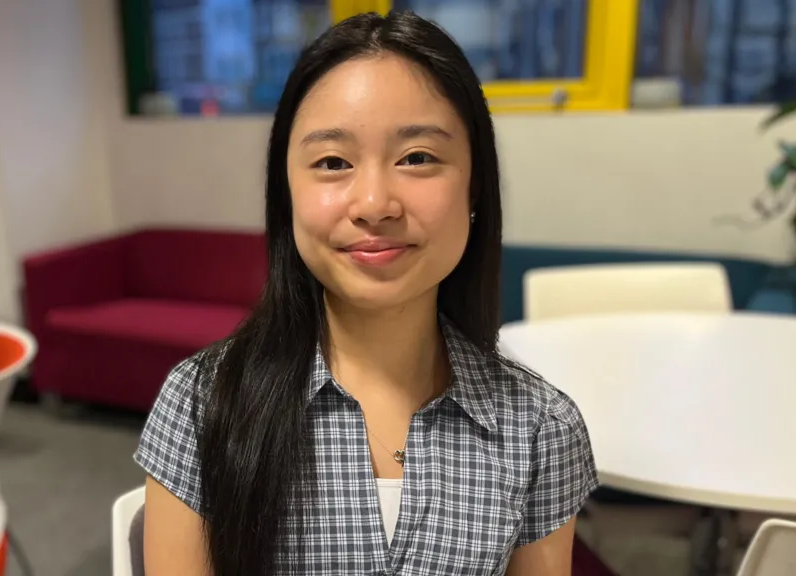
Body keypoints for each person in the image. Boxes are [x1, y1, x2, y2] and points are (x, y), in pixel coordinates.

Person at [136, 10, 598, 575]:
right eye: (333, 162)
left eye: (417, 158)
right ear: (287, 195)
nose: (375, 203)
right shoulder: (201, 404)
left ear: (475, 187)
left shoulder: (540, 429)